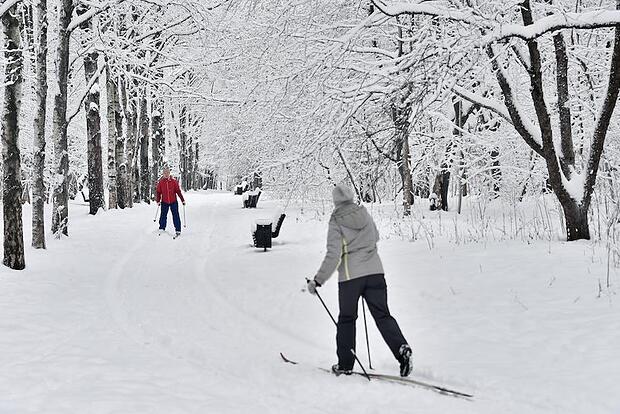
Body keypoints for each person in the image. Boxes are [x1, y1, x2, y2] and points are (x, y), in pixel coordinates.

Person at [307, 184, 412, 377]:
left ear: (335, 201)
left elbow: (334, 254)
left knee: (347, 319)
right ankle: (401, 349)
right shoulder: (364, 213)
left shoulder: (336, 220)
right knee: (383, 315)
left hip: (350, 277)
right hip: (375, 273)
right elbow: (376, 236)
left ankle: (345, 365)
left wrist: (318, 280)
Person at [156, 166, 185, 236]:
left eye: (167, 172)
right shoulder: (161, 182)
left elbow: (178, 191)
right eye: (164, 173)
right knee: (163, 215)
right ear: (163, 174)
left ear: (169, 173)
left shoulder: (174, 181)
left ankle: (178, 230)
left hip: (173, 202)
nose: (166, 174)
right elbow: (158, 192)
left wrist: (182, 200)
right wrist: (158, 200)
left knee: (175, 215)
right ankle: (162, 228)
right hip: (164, 202)